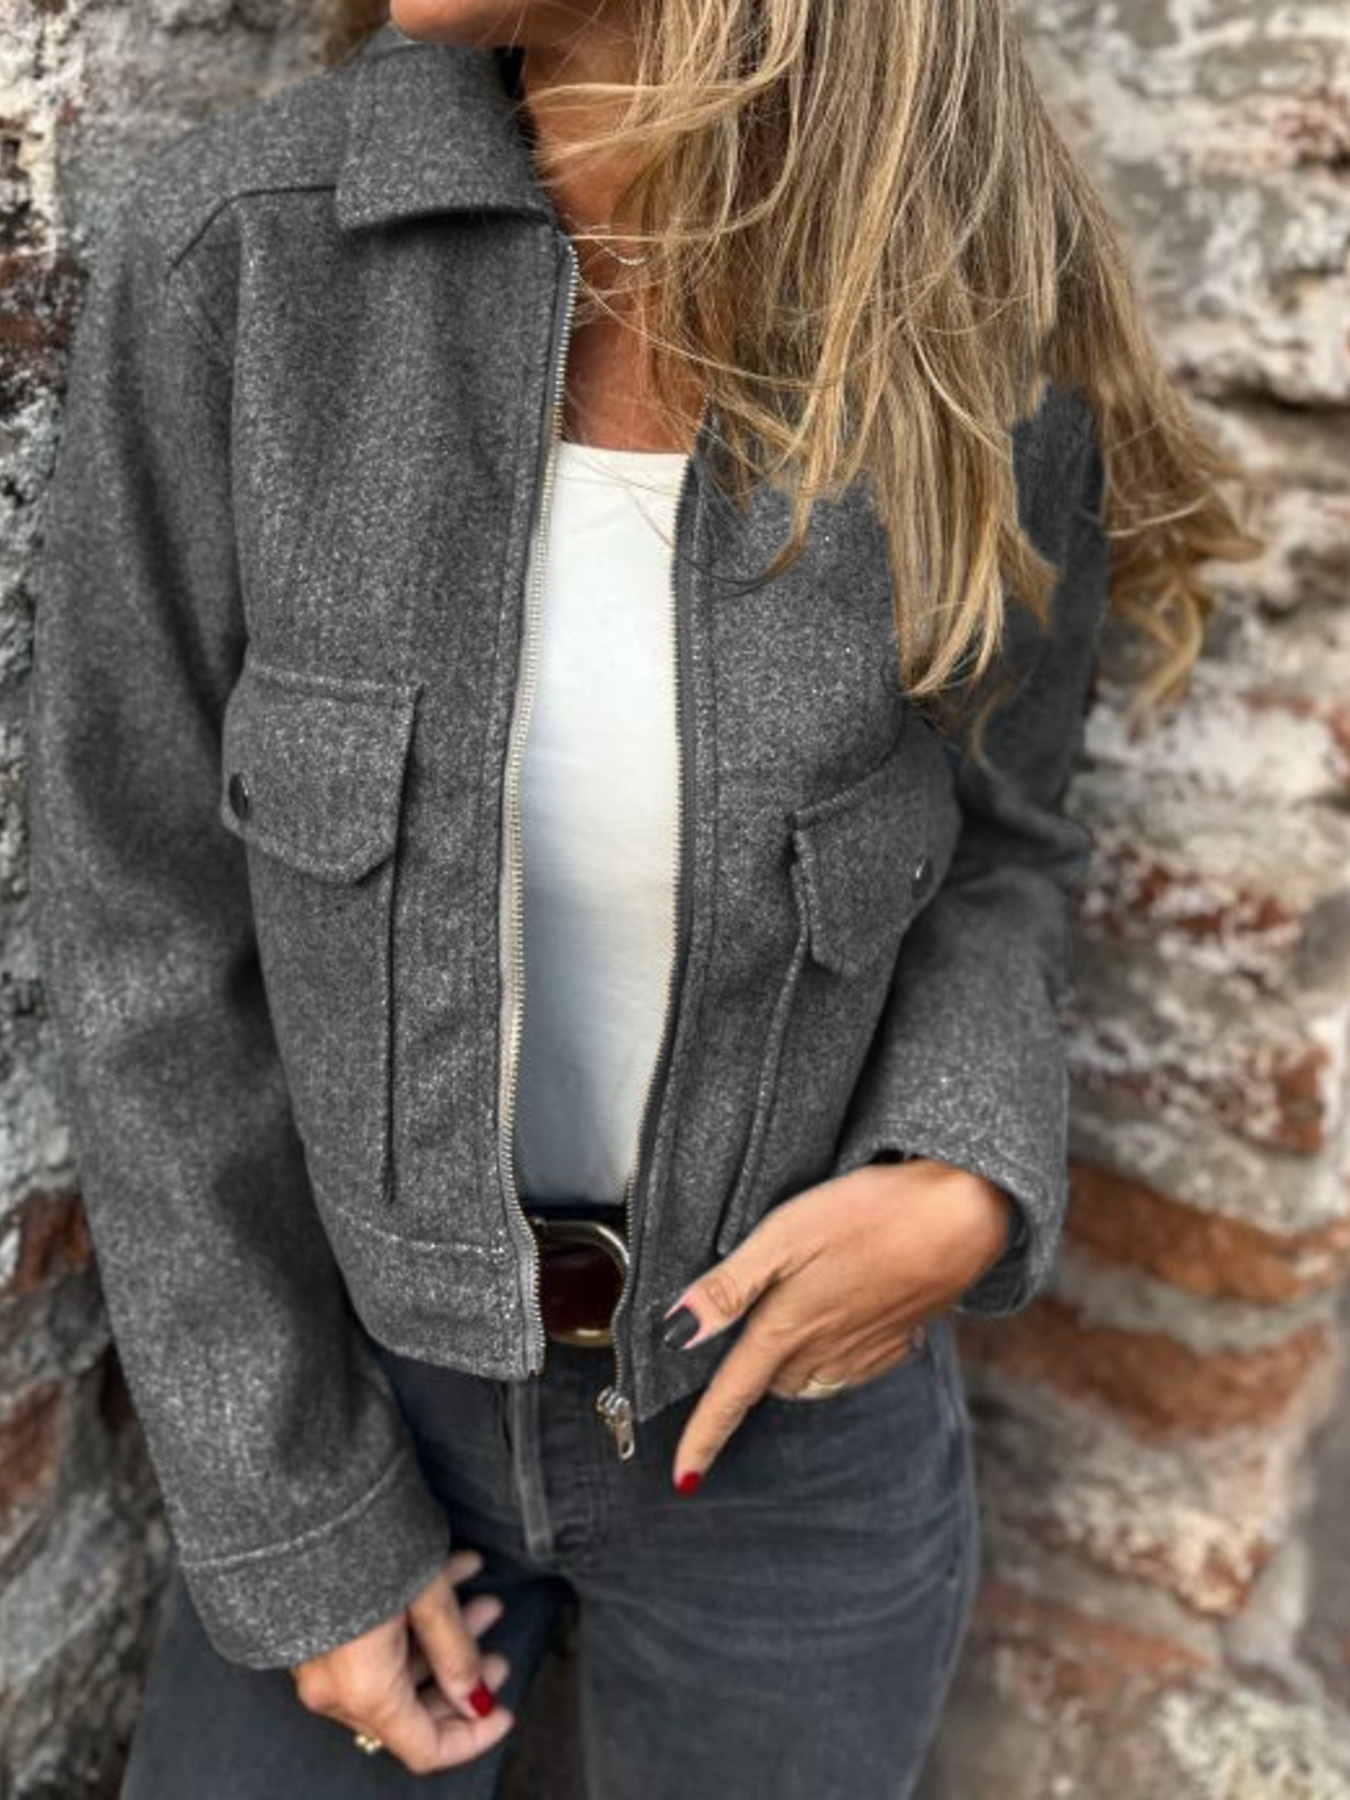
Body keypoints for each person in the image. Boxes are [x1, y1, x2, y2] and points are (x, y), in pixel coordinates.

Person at [26, 2, 1262, 1795]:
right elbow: (142, 920)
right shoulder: (243, 260)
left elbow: (1000, 842)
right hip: (359, 1388)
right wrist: (291, 1512)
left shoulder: (980, 318)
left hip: (795, 1430)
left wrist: (963, 1173)